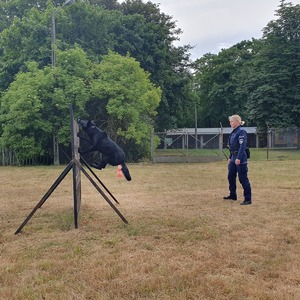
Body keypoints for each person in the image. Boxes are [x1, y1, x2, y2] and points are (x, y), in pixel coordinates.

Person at [223, 115, 252, 205]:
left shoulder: (241, 132)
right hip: (233, 157)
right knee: (230, 176)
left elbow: (242, 146)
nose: (230, 123)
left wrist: (239, 158)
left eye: (232, 121)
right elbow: (232, 146)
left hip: (240, 157)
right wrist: (230, 157)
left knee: (243, 178)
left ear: (237, 122)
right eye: (230, 121)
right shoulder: (233, 132)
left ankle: (248, 199)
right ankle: (233, 195)